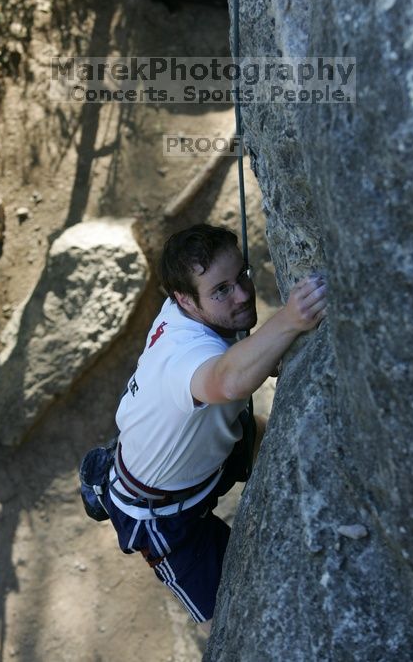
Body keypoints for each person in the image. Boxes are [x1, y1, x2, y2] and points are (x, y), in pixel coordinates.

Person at [103, 223, 327, 634]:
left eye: (241, 275)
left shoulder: (192, 315)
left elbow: (231, 365)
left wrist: (261, 348)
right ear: (184, 300)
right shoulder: (184, 354)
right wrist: (291, 320)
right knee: (232, 616)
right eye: (221, 290)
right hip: (161, 513)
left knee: (259, 432)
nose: (243, 294)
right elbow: (226, 380)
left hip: (202, 455)